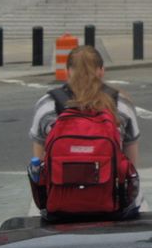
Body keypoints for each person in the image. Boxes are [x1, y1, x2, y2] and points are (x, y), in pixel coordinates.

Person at [28, 45, 142, 210]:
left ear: (68, 71)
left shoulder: (47, 104)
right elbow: (131, 161)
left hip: (59, 202)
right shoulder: (121, 103)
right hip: (111, 202)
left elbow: (39, 163)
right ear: (101, 71)